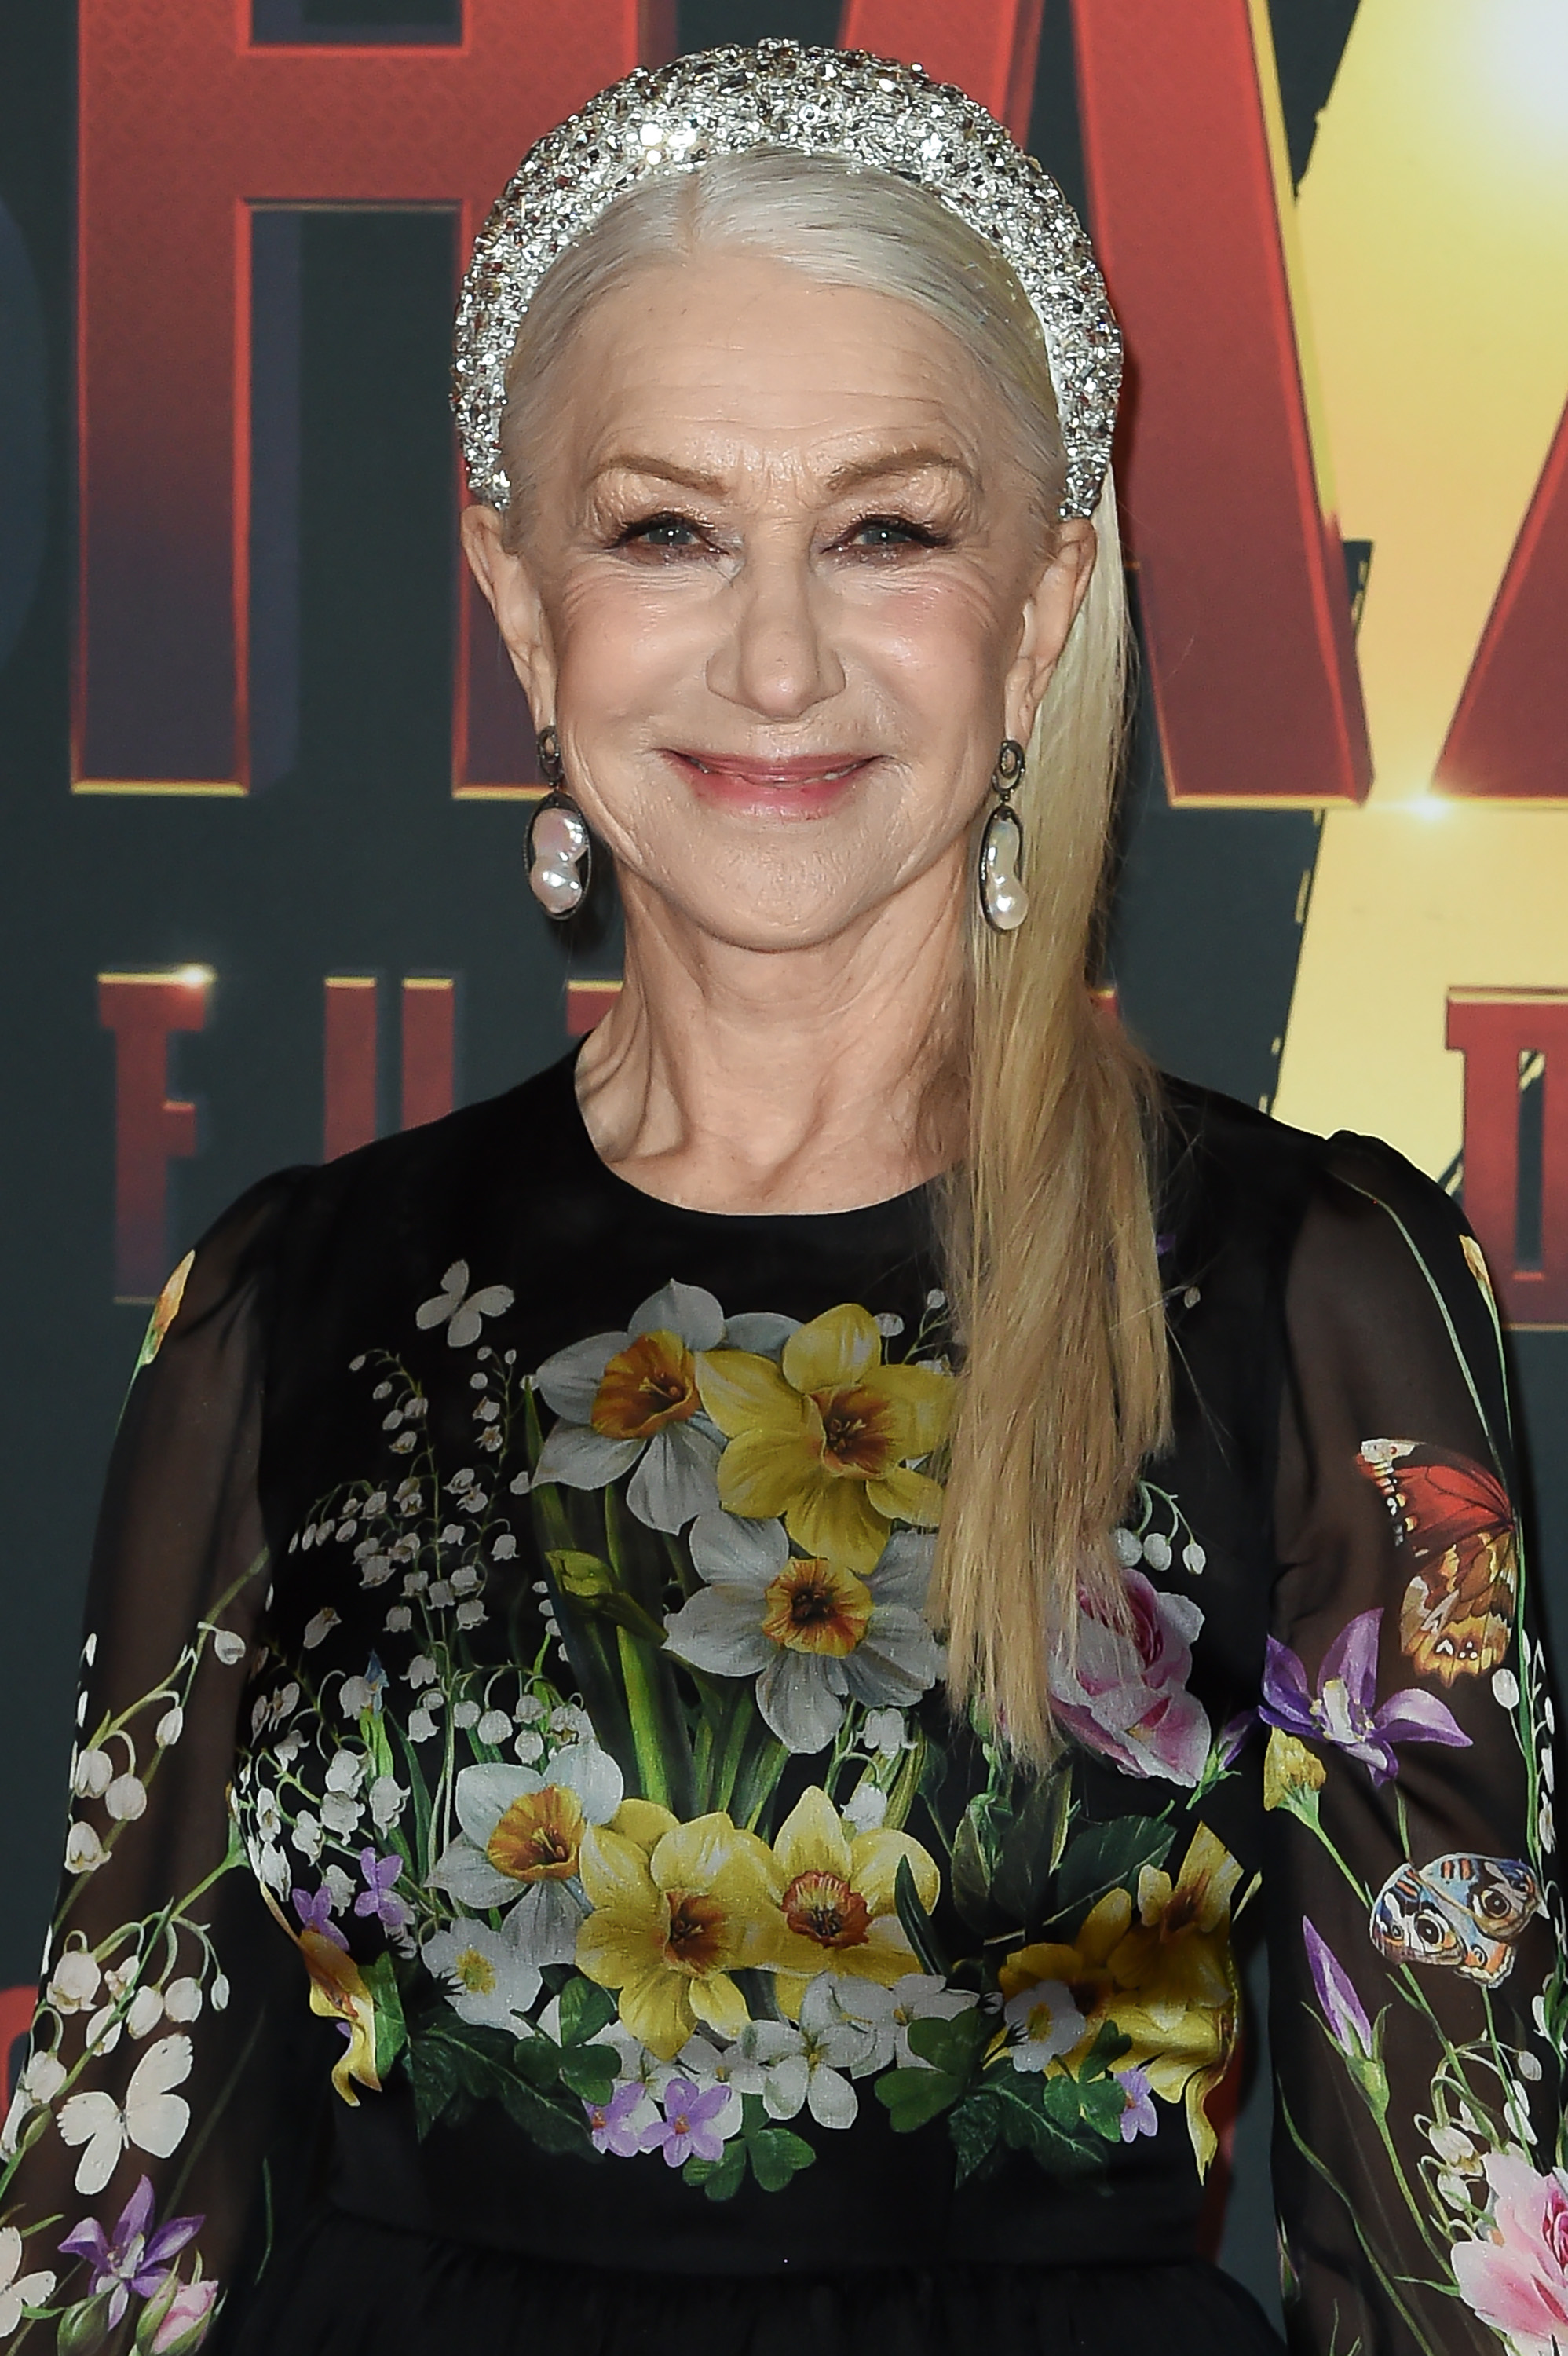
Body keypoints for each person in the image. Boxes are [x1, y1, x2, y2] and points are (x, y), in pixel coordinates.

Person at [1, 40, 1560, 2356]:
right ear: (522, 608)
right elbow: (116, 2219)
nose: (771, 656)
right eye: (662, 531)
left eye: (886, 529)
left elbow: (1469, 2244)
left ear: (1039, 610)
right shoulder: (285, 1302)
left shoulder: (1296, 1291)